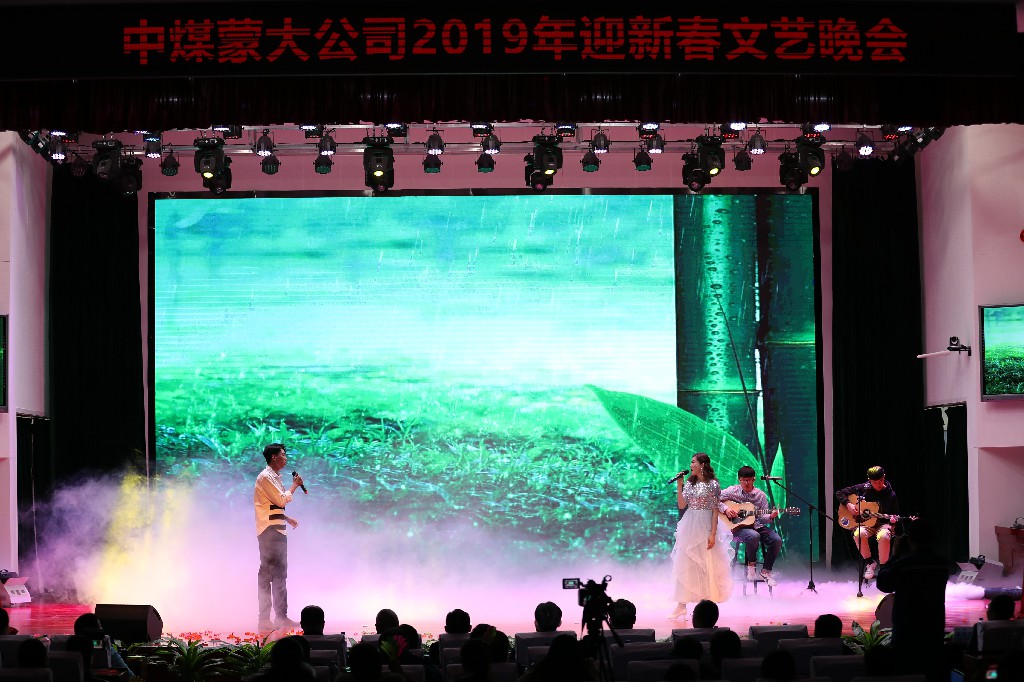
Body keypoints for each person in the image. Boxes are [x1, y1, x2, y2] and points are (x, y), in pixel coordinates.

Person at [875, 519, 948, 681]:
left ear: (910, 539)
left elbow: (883, 583)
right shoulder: (942, 564)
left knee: (905, 673)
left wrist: (895, 555)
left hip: (907, 629)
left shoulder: (904, 564)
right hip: (933, 628)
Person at [669, 452, 734, 619]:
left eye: (693, 462)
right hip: (690, 523)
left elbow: (715, 510)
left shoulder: (713, 484)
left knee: (707, 562)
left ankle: (706, 606)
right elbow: (682, 505)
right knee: (686, 562)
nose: (691, 465)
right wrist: (680, 485)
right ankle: (681, 605)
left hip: (706, 524)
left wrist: (713, 534)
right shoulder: (689, 483)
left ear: (702, 465)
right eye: (691, 462)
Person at [255, 442, 304, 631]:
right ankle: (265, 618)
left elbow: (273, 505)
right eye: (283, 454)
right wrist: (295, 485)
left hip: (277, 530)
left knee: (280, 575)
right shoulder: (265, 477)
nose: (286, 458)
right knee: (268, 574)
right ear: (274, 457)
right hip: (270, 531)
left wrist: (287, 518)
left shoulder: (274, 477)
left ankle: (281, 617)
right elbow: (281, 500)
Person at [719, 465, 783, 587]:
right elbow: (714, 499)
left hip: (756, 526)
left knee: (777, 540)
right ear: (739, 480)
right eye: (743, 480)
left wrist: (771, 516)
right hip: (738, 528)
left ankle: (765, 572)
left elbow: (762, 519)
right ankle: (751, 566)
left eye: (748, 480)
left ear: (754, 479)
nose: (746, 483)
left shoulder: (761, 495)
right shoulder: (733, 491)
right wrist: (726, 509)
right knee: (754, 536)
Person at [836, 465, 900, 580]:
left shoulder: (891, 494)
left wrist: (893, 521)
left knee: (883, 536)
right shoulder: (864, 489)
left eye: (881, 481)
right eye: (875, 482)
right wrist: (848, 504)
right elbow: (840, 493)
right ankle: (870, 563)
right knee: (858, 534)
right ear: (869, 481)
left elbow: (895, 515)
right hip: (867, 525)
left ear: (884, 477)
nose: (878, 484)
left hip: (883, 524)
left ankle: (883, 568)